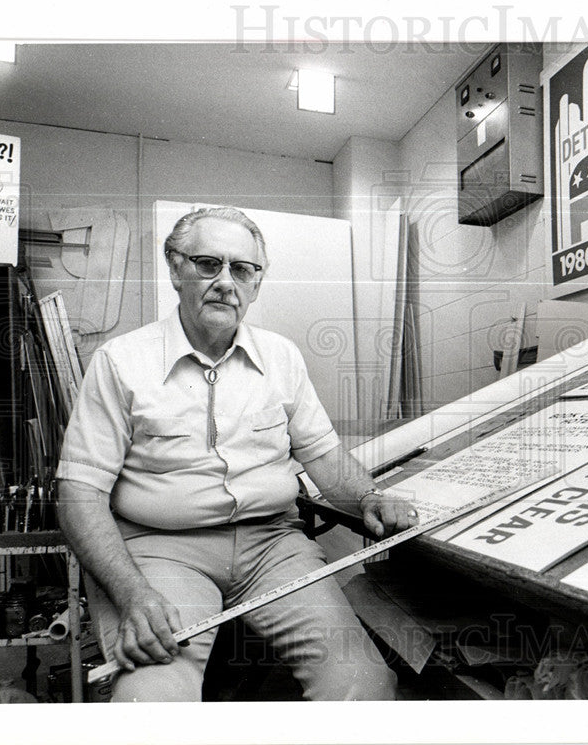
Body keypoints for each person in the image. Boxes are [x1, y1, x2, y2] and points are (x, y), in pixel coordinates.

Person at [56, 206, 417, 702]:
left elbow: (324, 457)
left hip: (273, 546)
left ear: (256, 283)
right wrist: (131, 594)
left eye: (243, 270)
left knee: (366, 686)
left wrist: (370, 496)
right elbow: (79, 494)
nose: (226, 282)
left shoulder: (282, 357)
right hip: (163, 548)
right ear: (175, 268)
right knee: (151, 700)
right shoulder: (120, 362)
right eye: (209, 264)